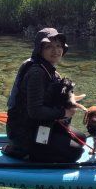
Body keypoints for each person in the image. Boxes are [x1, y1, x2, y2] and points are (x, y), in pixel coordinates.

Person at [5, 28, 88, 162]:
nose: (55, 51)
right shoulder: (36, 73)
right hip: (25, 133)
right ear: (40, 50)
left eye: (58, 46)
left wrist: (70, 98)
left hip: (41, 125)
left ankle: (44, 147)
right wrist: (64, 113)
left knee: (81, 138)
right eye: (49, 47)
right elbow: (35, 111)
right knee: (76, 151)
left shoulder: (49, 70)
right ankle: (25, 152)